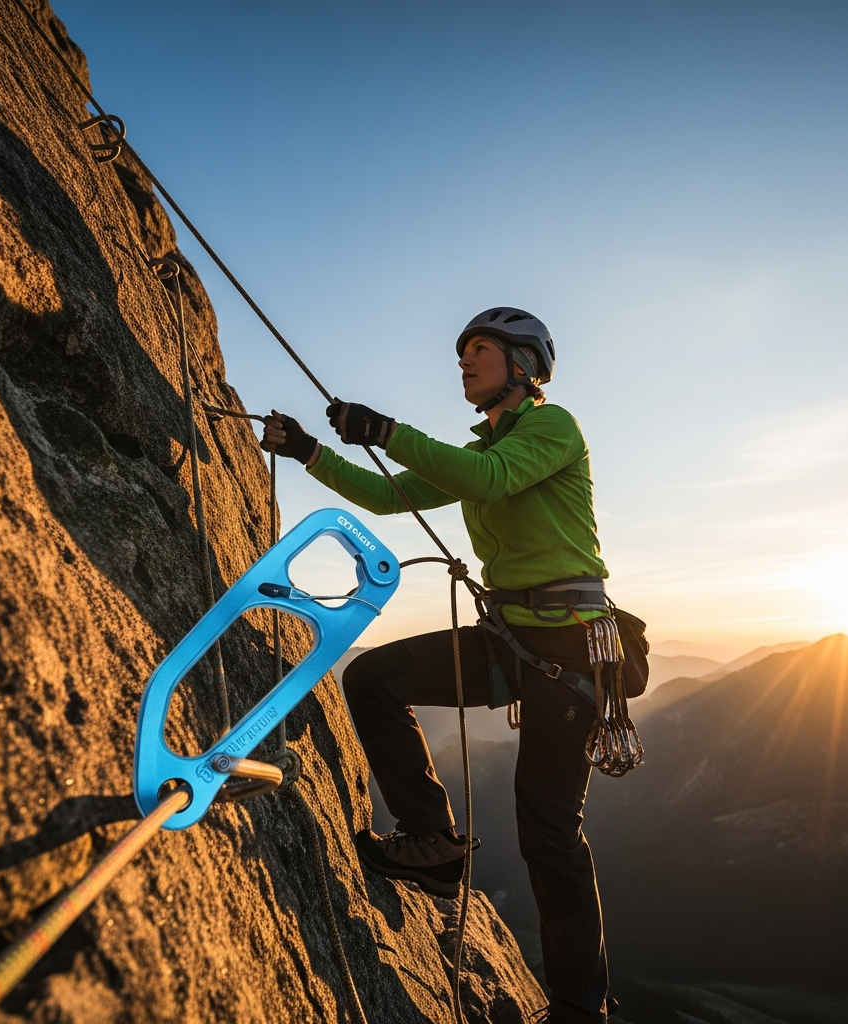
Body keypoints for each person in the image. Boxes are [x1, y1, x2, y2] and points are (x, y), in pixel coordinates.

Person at [262, 308, 613, 1024]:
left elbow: (486, 480)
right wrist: (310, 454)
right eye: (462, 353)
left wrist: (387, 432)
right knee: (372, 678)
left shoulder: (552, 427)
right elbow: (394, 497)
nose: (464, 361)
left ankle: (582, 1010)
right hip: (514, 640)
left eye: (478, 349)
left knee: (548, 830)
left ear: (523, 364)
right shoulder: (478, 448)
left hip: (573, 647)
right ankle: (432, 842)